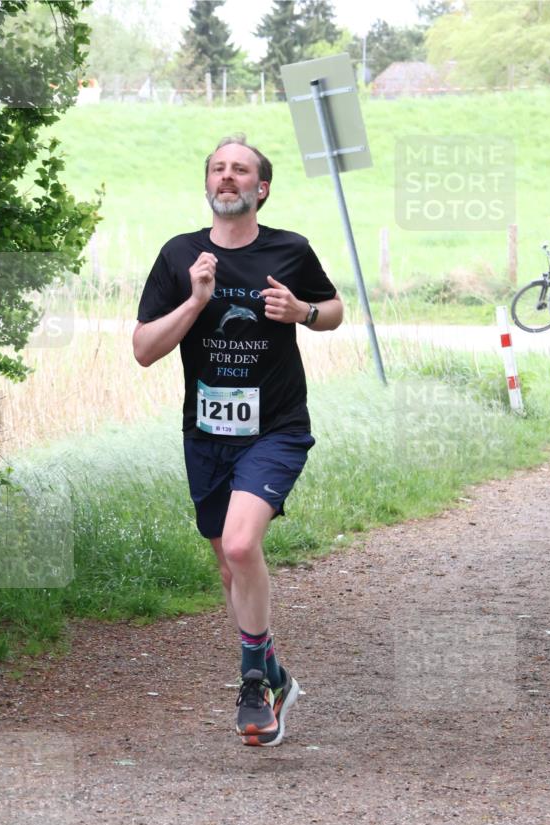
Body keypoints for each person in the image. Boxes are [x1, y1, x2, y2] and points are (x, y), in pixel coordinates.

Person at [133, 133, 343, 747]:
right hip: (206, 437)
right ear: (208, 185)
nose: (228, 177)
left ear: (261, 188)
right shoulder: (179, 256)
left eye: (240, 170)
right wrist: (196, 302)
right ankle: (276, 674)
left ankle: (252, 681)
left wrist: (301, 312)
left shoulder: (289, 249)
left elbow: (333, 310)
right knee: (229, 565)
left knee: (243, 544)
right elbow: (145, 350)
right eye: (218, 169)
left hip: (275, 428)